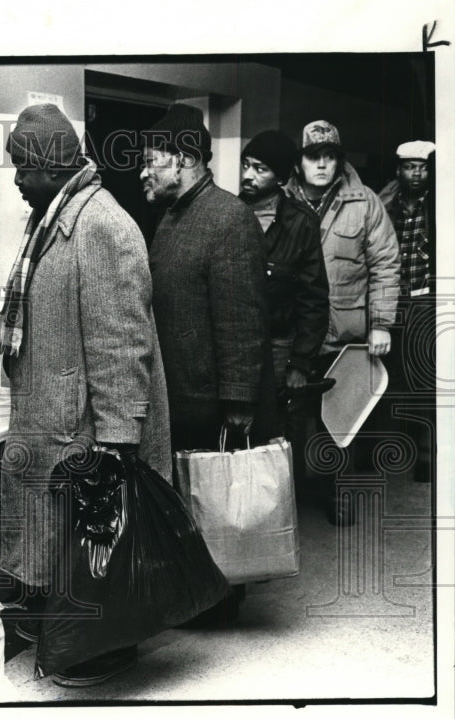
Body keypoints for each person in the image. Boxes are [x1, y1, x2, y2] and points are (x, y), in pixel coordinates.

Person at [0, 103, 171, 687]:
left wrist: (120, 443)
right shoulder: (55, 216)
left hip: (91, 429)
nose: (17, 180)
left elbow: (122, 343)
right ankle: (72, 637)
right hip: (58, 417)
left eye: (22, 168)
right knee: (68, 550)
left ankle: (105, 649)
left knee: (100, 555)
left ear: (49, 166)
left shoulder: (102, 226)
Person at [142, 104, 277, 624]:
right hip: (181, 395)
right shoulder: (173, 218)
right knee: (194, 507)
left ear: (183, 158)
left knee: (220, 504)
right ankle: (199, 595)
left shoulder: (229, 218)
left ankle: (222, 601)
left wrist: (239, 404)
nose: (144, 171)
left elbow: (243, 319)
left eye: (152, 160)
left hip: (213, 400)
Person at [285, 120, 400, 525]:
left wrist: (381, 322)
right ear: (299, 161)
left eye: (329, 156)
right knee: (292, 421)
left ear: (339, 159)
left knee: (341, 420)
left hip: (345, 337)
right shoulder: (281, 198)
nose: (322, 164)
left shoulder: (365, 202)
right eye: (313, 156)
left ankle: (339, 493)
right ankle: (291, 499)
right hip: (295, 334)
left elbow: (385, 263)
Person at [239, 130, 329, 477]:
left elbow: (314, 297)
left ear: (280, 177)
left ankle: (276, 512)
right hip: (236, 343)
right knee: (235, 428)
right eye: (246, 165)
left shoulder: (300, 222)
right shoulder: (229, 213)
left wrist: (300, 362)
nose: (248, 175)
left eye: (259, 169)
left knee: (275, 430)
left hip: (279, 344)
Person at [378, 140, 436, 482]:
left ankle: (426, 453)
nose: (416, 173)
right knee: (391, 375)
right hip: (393, 298)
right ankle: (387, 448)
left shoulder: (439, 204)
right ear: (398, 170)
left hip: (427, 299)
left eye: (423, 166)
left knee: (424, 376)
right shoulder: (387, 203)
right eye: (409, 167)